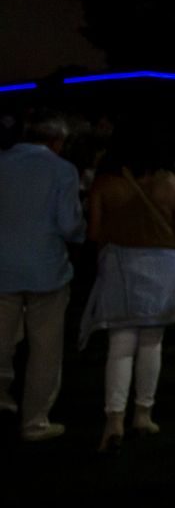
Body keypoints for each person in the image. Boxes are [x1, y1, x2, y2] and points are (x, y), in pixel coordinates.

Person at [80, 129, 175, 453]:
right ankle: (143, 414)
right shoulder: (173, 184)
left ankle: (114, 420)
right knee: (152, 342)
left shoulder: (105, 184)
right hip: (162, 264)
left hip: (120, 265)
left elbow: (93, 232)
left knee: (120, 344)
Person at [0, 112, 86, 442]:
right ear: (57, 141)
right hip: (46, 269)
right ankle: (34, 420)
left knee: (2, 339)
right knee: (45, 348)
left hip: (3, 268)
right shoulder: (62, 170)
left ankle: (3, 395)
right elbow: (69, 225)